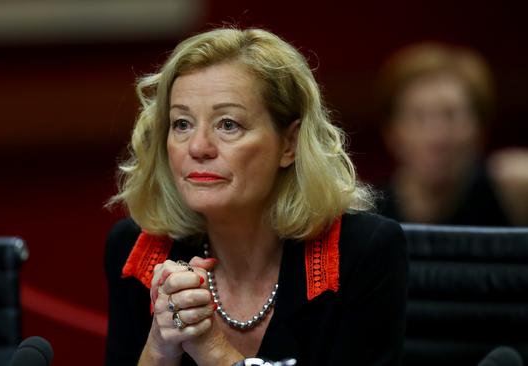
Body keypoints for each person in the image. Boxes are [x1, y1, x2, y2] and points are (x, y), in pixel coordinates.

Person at [105, 27, 408, 366]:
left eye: (228, 124)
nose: (198, 147)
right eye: (182, 124)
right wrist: (160, 350)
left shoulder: (362, 252)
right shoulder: (139, 250)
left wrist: (213, 350)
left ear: (289, 144)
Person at [374, 41, 528, 226]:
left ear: (479, 127)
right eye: (419, 117)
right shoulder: (366, 210)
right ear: (392, 132)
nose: (437, 137)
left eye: (452, 116)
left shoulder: (514, 188)